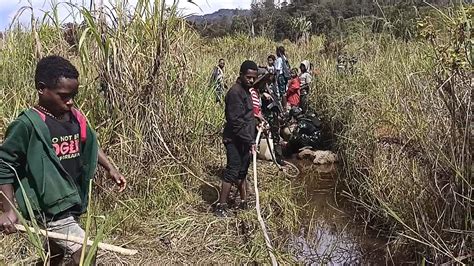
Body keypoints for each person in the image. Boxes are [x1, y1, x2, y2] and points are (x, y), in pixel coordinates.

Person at [0, 55, 127, 265]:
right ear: (42, 88)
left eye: (73, 96)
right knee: (85, 252)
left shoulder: (75, 117)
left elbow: (91, 144)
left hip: (72, 198)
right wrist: (9, 210)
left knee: (57, 251)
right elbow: (4, 164)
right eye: (64, 96)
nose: (70, 102)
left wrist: (110, 168)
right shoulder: (27, 125)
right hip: (50, 206)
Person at [215, 60, 258, 217]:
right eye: (249, 77)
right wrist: (251, 140)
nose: (252, 80)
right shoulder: (235, 92)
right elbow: (236, 122)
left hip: (245, 139)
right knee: (232, 171)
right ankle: (221, 206)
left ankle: (244, 202)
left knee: (242, 172)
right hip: (234, 139)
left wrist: (258, 122)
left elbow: (247, 115)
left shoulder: (246, 90)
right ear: (241, 75)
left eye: (254, 78)